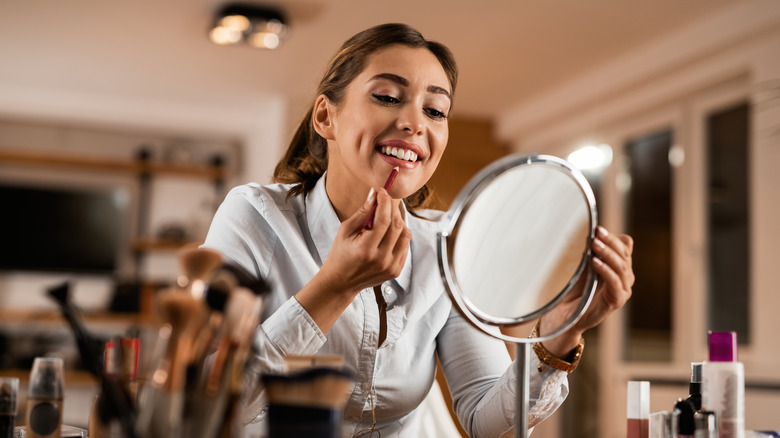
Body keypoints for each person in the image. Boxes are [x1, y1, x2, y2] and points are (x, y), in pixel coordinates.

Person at [202, 22, 634, 437]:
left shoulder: (443, 245)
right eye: (388, 97)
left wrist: (561, 335)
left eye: (435, 110)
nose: (416, 123)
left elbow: (486, 419)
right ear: (324, 116)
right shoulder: (254, 216)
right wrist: (334, 287)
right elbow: (209, 401)